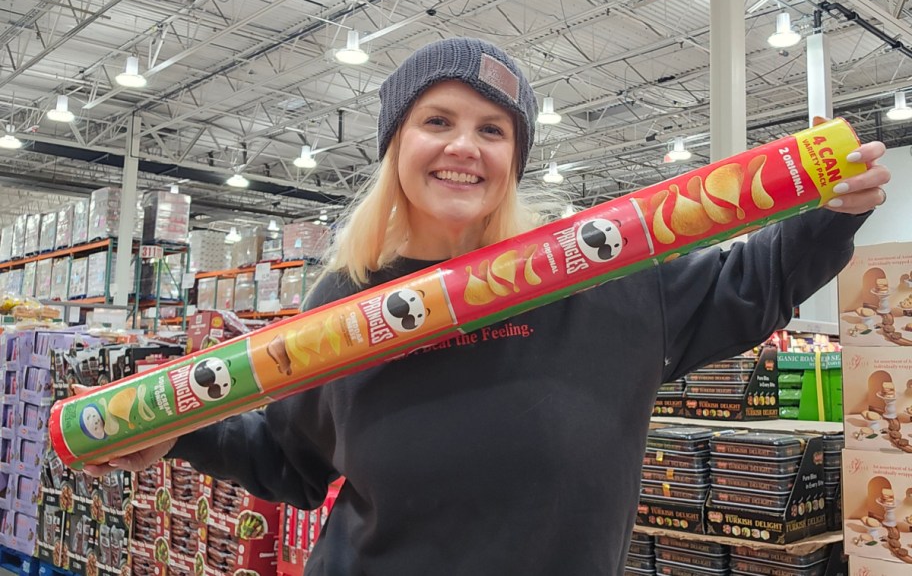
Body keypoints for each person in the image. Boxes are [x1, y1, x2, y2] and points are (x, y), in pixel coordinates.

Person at [83, 38, 890, 575]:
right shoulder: (346, 301)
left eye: (492, 129)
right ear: (398, 145)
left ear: (515, 156)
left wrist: (836, 207)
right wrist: (178, 432)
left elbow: (754, 284)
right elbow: (291, 460)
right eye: (436, 121)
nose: (463, 146)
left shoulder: (603, 280)